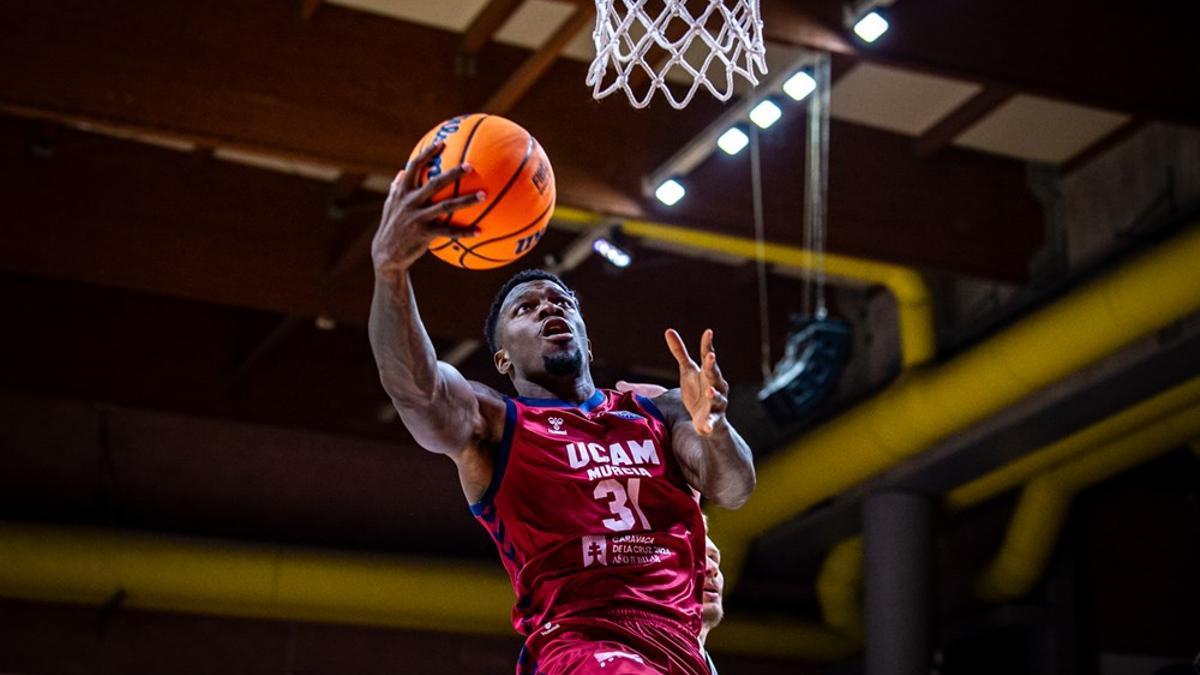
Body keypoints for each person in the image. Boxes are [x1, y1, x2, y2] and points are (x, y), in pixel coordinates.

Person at [369, 140, 756, 674]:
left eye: (562, 303)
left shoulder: (655, 410)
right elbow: (417, 389)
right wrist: (390, 271)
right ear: (502, 359)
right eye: (525, 309)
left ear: (588, 342)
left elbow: (734, 487)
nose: (549, 308)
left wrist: (713, 428)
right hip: (580, 646)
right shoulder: (496, 426)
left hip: (680, 649)